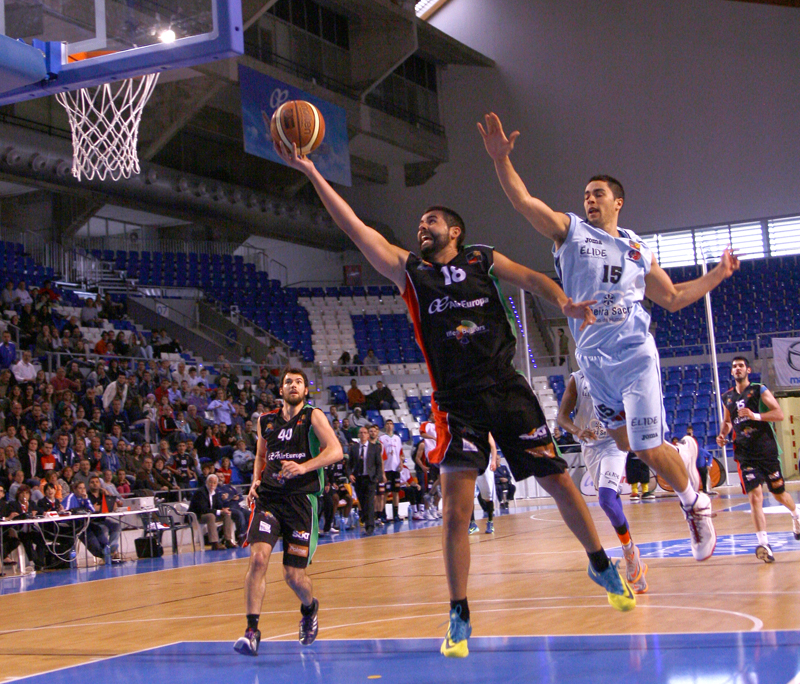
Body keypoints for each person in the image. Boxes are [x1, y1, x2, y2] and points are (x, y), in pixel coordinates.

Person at [277, 141, 629, 660]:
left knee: (556, 479)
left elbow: (534, 278)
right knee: (454, 513)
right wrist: (311, 172)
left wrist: (564, 301)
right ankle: (459, 612)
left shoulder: (482, 258)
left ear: (455, 231)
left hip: (506, 387)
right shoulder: (410, 272)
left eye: (432, 221)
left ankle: (599, 561)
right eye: (420, 223)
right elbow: (356, 228)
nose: (422, 228)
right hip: (455, 402)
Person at [480, 112, 741, 565]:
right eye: (586, 195)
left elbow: (672, 297)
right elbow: (523, 201)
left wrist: (717, 274)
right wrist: (501, 160)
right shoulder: (570, 231)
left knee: (643, 445)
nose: (589, 200)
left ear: (618, 202)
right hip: (593, 362)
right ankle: (681, 452)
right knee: (624, 443)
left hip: (634, 353)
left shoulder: (637, 248)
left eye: (598, 193)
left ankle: (694, 503)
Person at [235, 368, 343, 656]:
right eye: (288, 382)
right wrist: (255, 480)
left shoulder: (312, 416)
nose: (293, 385)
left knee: (293, 576)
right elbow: (261, 455)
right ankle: (251, 631)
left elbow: (335, 451)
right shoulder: (266, 421)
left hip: (300, 501)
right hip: (269, 499)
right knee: (258, 558)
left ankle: (309, 608)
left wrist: (303, 467)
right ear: (280, 389)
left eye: (298, 382)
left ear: (305, 390)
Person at [558, 370, 648, 593]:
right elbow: (561, 417)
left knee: (606, 500)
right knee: (611, 499)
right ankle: (632, 552)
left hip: (613, 444)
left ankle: (629, 551)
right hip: (590, 447)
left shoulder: (615, 373)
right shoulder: (577, 379)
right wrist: (577, 431)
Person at [717, 357, 800, 562]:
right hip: (745, 454)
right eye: (734, 366)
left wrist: (755, 416)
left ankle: (796, 513)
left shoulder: (759, 389)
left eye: (741, 366)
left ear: (748, 370)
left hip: (766, 451)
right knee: (755, 497)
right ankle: (764, 544)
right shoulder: (727, 397)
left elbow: (779, 414)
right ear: (731, 372)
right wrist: (723, 434)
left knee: (779, 494)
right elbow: (728, 421)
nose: (737, 368)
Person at [188, 473, 236, 550]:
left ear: (217, 484)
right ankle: (214, 543)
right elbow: (203, 509)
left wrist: (223, 510)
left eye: (214, 483)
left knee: (227, 514)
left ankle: (228, 540)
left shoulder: (215, 492)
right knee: (211, 516)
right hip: (197, 515)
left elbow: (218, 505)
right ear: (206, 482)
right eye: (210, 482)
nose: (212, 484)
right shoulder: (200, 492)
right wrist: (219, 512)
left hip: (209, 514)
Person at [379, 419, 404, 522]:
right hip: (386, 468)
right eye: (387, 424)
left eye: (391, 424)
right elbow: (380, 454)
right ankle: (383, 514)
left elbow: (400, 453)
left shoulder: (397, 438)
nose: (389, 425)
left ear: (393, 426)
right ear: (385, 426)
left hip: (395, 468)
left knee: (396, 492)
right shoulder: (382, 438)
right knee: (385, 492)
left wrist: (401, 462)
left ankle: (396, 514)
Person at [686, 425, 713, 493]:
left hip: (701, 467)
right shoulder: (687, 451)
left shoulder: (700, 449)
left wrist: (708, 464)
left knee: (704, 478)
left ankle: (705, 489)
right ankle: (693, 491)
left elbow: (710, 455)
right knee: (692, 479)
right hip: (693, 467)